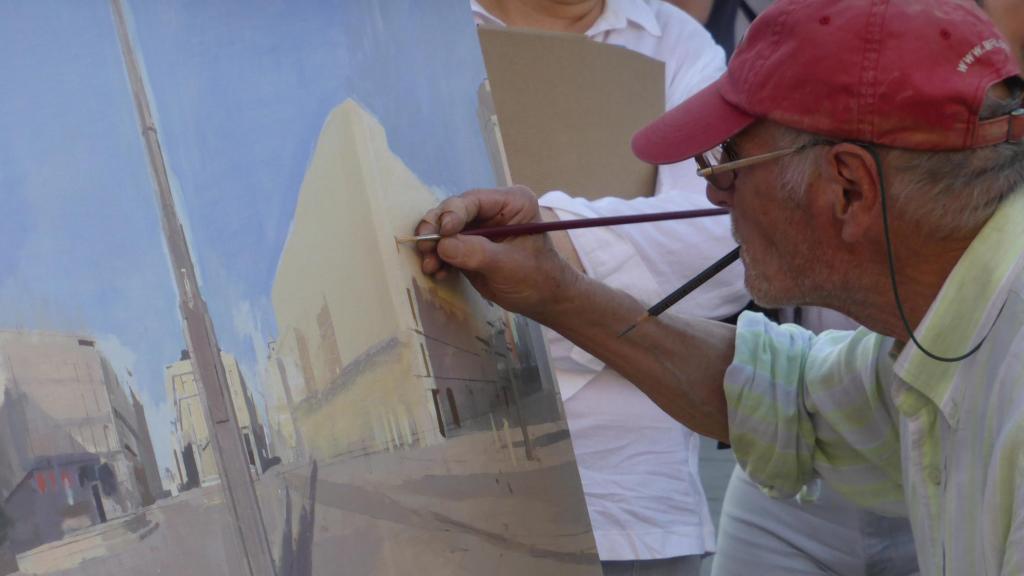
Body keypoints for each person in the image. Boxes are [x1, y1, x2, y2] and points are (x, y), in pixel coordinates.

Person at [417, 0, 1024, 573]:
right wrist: (559, 292)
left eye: (729, 157)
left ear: (848, 189)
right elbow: (783, 398)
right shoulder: (953, 328)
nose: (712, 192)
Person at [472, 1, 749, 573]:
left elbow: (731, 234)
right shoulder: (402, 26)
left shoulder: (676, 42)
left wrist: (538, 252)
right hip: (459, 493)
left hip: (636, 502)